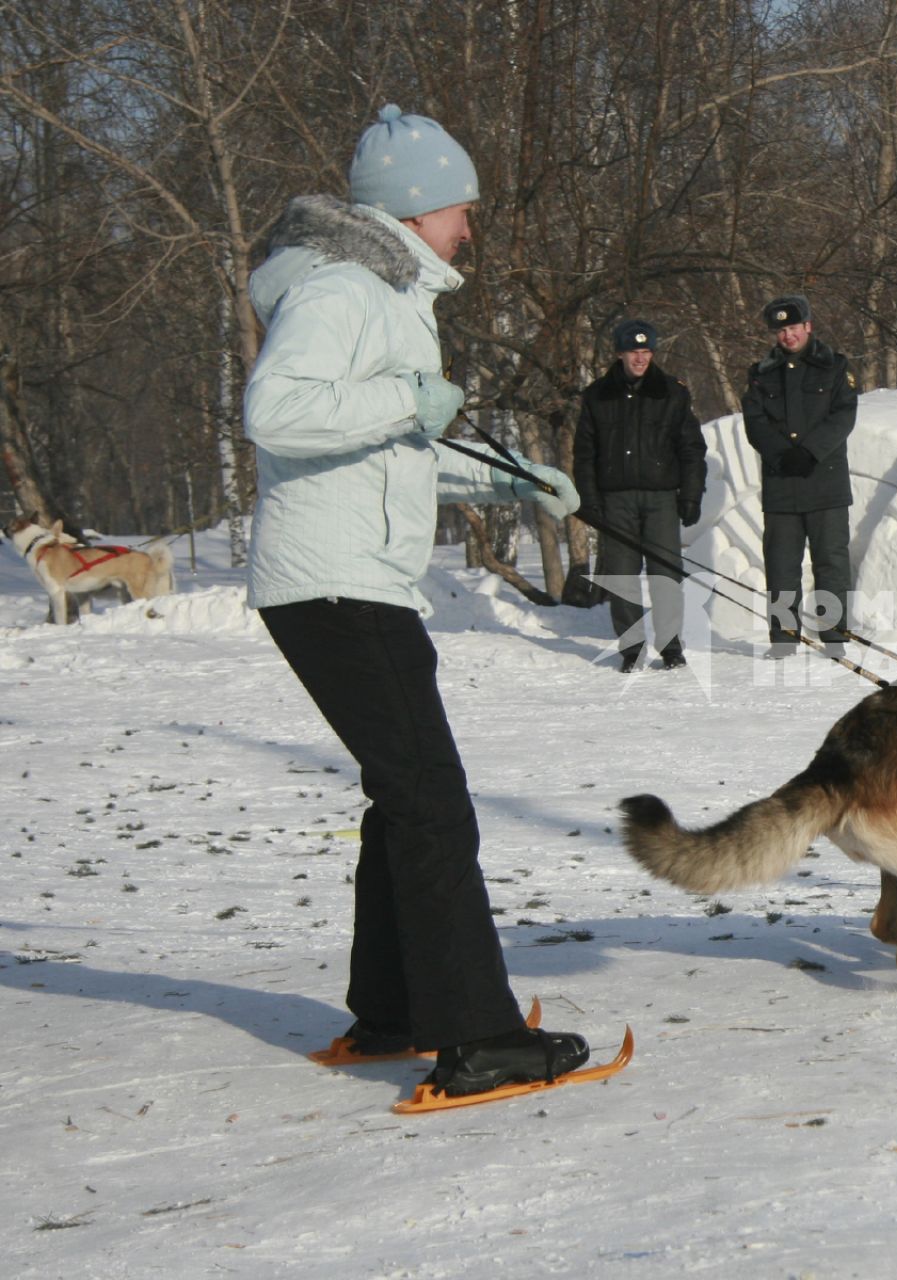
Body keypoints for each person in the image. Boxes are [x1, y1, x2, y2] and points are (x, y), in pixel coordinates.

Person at [244, 104, 593, 1097]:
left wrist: (506, 479)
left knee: (404, 801)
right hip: (334, 582)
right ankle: (476, 1034)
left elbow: (390, 448)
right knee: (434, 806)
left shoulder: (380, 293)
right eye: (459, 209)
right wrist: (407, 399)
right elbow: (275, 410)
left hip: (357, 579)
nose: (469, 230)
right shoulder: (346, 290)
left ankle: (393, 1007)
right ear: (412, 207)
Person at [572, 318, 708, 672]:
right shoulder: (597, 396)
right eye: (634, 351)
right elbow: (584, 455)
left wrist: (691, 495)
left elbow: (691, 448)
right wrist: (588, 501)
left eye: (646, 351)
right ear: (620, 353)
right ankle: (631, 649)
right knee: (622, 576)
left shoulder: (672, 393)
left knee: (666, 575)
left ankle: (671, 646)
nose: (641, 358)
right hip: (615, 499)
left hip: (661, 498)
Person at [741, 294, 859, 657]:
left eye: (793, 328)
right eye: (781, 330)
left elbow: (843, 415)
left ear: (808, 326)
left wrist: (810, 452)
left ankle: (835, 636)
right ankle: (784, 638)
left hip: (826, 483)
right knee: (781, 567)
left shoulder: (835, 367)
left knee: (831, 564)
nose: (788, 336)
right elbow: (755, 421)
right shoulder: (761, 374)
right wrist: (781, 454)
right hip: (782, 486)